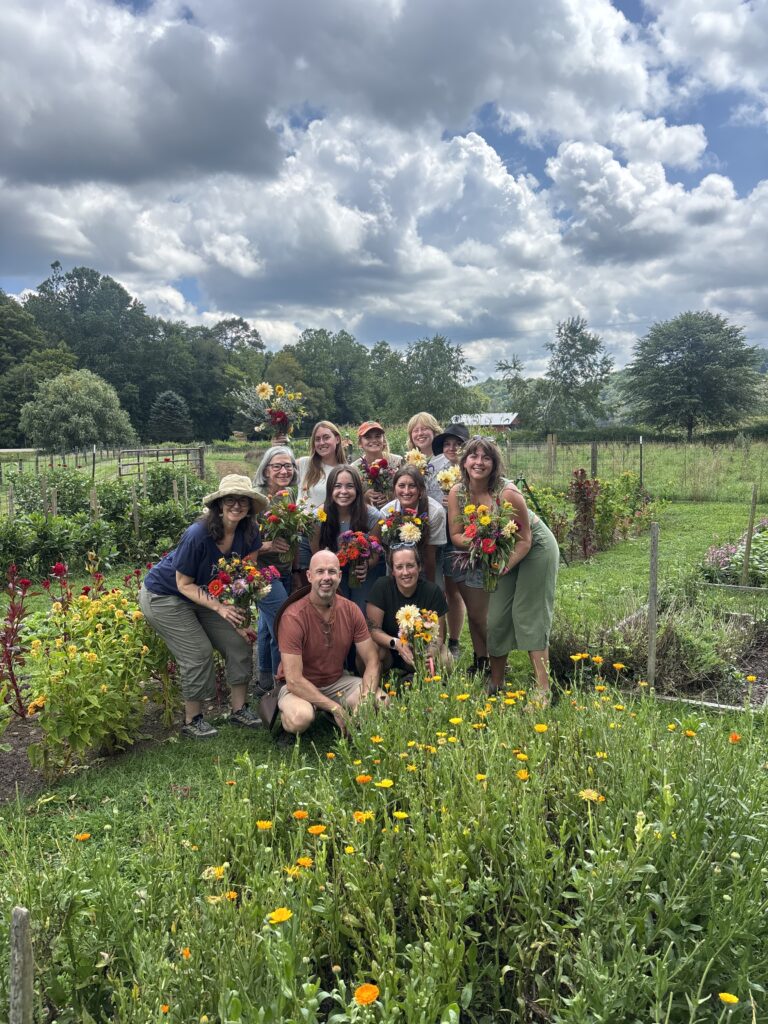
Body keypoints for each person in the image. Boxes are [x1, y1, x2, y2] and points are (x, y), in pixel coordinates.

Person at [139, 474, 288, 738]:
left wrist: (238, 619)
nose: (236, 505)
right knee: (197, 651)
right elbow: (183, 584)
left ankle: (239, 710)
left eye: (243, 500)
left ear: (250, 507)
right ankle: (193, 720)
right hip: (165, 596)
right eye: (230, 499)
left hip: (205, 595)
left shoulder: (249, 531)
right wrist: (220, 608)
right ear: (218, 504)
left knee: (239, 641)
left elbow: (245, 576)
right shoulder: (198, 535)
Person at [447, 437, 559, 699]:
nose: (479, 462)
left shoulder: (507, 493)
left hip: (533, 549)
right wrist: (481, 543)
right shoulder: (458, 493)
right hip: (497, 550)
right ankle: (496, 683)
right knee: (495, 618)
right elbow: (456, 534)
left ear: (494, 464)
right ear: (464, 462)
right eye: (473, 456)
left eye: (486, 457)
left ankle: (543, 690)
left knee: (528, 614)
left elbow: (525, 540)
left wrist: (502, 567)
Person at [276, 550, 386, 739]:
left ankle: (333, 709)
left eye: (332, 572)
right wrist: (335, 707)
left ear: (340, 576)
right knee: (300, 718)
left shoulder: (351, 610)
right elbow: (293, 680)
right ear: (309, 576)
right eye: (320, 571)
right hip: (299, 686)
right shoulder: (293, 616)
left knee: (381, 701)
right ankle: (291, 717)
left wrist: (365, 700)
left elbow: (372, 660)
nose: (326, 577)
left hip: (336, 681)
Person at [252, 445, 301, 689]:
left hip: (283, 570)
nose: (284, 471)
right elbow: (239, 542)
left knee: (267, 626)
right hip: (262, 573)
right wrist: (268, 546)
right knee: (282, 624)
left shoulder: (288, 494)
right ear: (266, 470)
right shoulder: (256, 500)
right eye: (277, 466)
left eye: (288, 466)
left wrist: (295, 569)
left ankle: (265, 681)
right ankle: (282, 683)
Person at [310, 464, 384, 613]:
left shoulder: (373, 517)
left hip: (362, 571)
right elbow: (316, 552)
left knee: (359, 611)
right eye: (337, 486)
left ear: (357, 490)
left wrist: (366, 565)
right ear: (330, 489)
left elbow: (375, 555)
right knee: (337, 610)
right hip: (332, 571)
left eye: (349, 486)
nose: (343, 491)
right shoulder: (317, 516)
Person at [366, 544, 449, 676]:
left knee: (446, 658)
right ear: (393, 571)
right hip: (389, 649)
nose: (405, 572)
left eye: (410, 566)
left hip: (420, 650)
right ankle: (379, 680)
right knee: (371, 650)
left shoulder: (433, 592)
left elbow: (439, 637)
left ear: (419, 567)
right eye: (399, 567)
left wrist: (430, 653)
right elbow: (373, 630)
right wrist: (396, 643)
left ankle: (424, 679)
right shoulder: (381, 587)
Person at [431, 423, 469, 657]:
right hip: (438, 533)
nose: (452, 448)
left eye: (458, 444)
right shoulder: (434, 467)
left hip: (460, 536)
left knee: (454, 589)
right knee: (437, 588)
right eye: (447, 443)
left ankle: (454, 641)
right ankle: (437, 640)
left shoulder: (472, 470)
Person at [374, 465, 446, 584]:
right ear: (394, 488)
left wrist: (431, 588)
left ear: (420, 490)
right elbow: (388, 551)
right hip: (397, 561)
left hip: (428, 559)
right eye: (401, 486)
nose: (406, 491)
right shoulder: (386, 512)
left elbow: (430, 555)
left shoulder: (434, 512)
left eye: (412, 486)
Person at [296, 421, 347, 580]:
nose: (321, 442)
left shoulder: (344, 470)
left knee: (326, 579)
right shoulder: (304, 464)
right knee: (304, 581)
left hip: (327, 534)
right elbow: (278, 469)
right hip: (301, 534)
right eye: (317, 439)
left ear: (337, 439)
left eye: (326, 437)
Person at [352, 420, 403, 509]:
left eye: (378, 436)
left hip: (395, 512)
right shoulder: (354, 469)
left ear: (383, 440)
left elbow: (408, 489)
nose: (374, 440)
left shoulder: (397, 462)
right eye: (368, 437)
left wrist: (391, 497)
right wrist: (365, 498)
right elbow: (350, 499)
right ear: (360, 443)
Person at [406, 411, 445, 504]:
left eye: (424, 429)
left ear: (434, 431)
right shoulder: (408, 461)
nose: (420, 433)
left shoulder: (446, 458)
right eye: (415, 430)